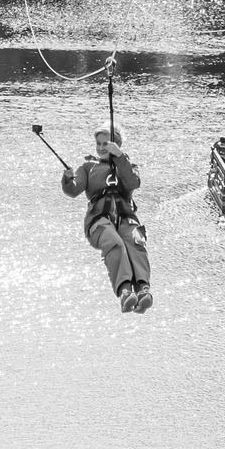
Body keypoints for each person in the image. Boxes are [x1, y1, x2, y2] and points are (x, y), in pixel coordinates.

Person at [63, 127, 152, 312]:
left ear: (116, 145)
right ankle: (126, 291)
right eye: (98, 144)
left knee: (136, 242)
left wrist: (119, 157)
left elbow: (132, 182)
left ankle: (143, 289)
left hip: (126, 219)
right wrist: (67, 179)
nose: (101, 148)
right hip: (99, 221)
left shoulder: (127, 165)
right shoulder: (88, 167)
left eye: (106, 144)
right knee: (115, 243)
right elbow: (73, 190)